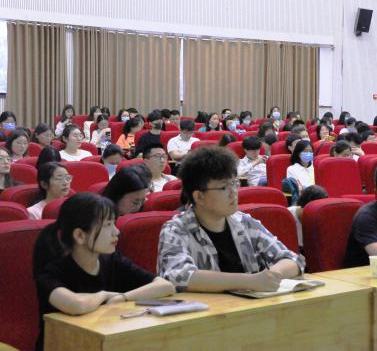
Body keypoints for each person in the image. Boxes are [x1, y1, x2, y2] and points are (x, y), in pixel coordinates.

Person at [33, 193, 175, 350]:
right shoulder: (51, 271)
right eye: (107, 225)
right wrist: (105, 295)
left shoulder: (113, 260)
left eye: (114, 223)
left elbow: (165, 286)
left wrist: (123, 297)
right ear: (80, 235)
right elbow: (76, 304)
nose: (116, 231)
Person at [157, 146, 304, 293]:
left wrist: (271, 276)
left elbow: (293, 260)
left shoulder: (244, 222)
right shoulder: (176, 230)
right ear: (199, 196)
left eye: (234, 184)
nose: (233, 193)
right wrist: (251, 281)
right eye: (224, 187)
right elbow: (179, 276)